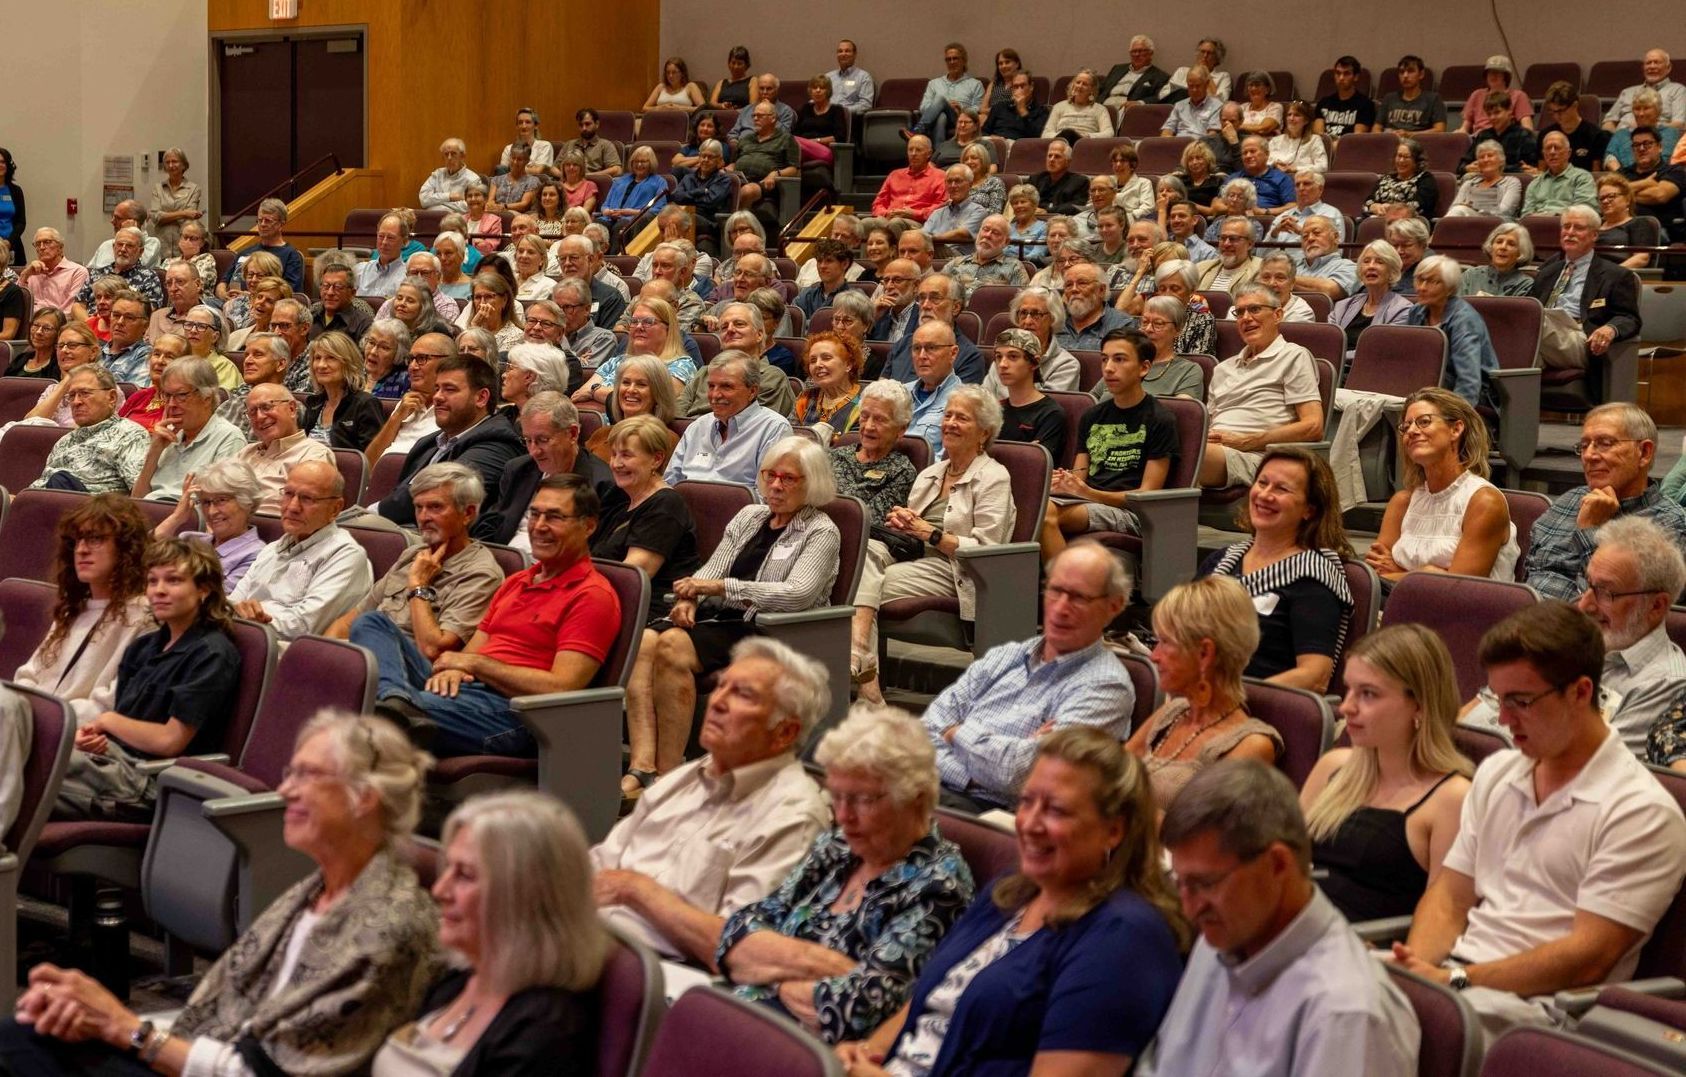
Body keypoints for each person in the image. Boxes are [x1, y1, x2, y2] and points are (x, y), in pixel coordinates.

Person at [0, 710, 439, 1075]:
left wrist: (124, 1028)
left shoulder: (388, 924)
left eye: (307, 775)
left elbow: (267, 1071)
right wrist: (100, 1023)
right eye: (290, 772)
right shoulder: (315, 891)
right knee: (27, 1033)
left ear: (365, 798)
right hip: (199, 1049)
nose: (285, 790)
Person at [1390, 603, 1686, 1043]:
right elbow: (1450, 897)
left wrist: (1453, 983)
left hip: (1541, 1014)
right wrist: (1416, 972)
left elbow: (1588, 958)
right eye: (1497, 699)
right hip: (1460, 982)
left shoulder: (1640, 812)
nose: (1504, 720)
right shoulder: (1497, 772)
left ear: (1581, 692)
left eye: (1521, 702)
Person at [836, 729, 1188, 1077]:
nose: (1030, 823)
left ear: (1115, 830)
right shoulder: (1009, 893)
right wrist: (867, 1052)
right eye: (1026, 801)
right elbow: (932, 998)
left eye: (1056, 810)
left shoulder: (1126, 938)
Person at [1140, 760, 1420, 1077]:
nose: (1191, 909)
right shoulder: (1218, 940)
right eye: (1181, 883)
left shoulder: (1345, 1013)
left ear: (1277, 865)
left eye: (1205, 884)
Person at [718, 706, 973, 1042]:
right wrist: (818, 964)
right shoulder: (838, 847)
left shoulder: (939, 885)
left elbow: (856, 1009)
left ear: (915, 798)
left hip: (806, 1053)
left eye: (861, 800)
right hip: (743, 1018)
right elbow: (735, 934)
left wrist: (765, 972)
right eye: (836, 796)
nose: (843, 816)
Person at [594, 636, 831, 960]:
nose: (717, 702)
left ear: (785, 732)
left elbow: (738, 948)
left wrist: (636, 891)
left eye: (742, 695)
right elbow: (602, 864)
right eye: (721, 686)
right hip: (590, 941)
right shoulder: (683, 778)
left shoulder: (793, 816)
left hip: (657, 974)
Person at [369, 474, 620, 758]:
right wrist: (457, 668)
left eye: (554, 517)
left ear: (588, 526)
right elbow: (470, 656)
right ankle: (397, 702)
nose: (538, 526)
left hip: (517, 714)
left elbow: (561, 686)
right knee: (373, 624)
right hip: (466, 693)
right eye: (535, 514)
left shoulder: (592, 595)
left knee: (369, 710)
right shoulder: (517, 582)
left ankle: (397, 709)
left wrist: (473, 664)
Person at [375, 789, 608, 1075]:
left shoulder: (544, 1032)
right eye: (448, 869)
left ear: (523, 895)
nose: (439, 890)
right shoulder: (460, 980)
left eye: (465, 875)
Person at [638, 434, 839, 742]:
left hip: (773, 630)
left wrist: (721, 588)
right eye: (770, 475)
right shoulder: (750, 516)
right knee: (646, 641)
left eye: (787, 478)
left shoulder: (821, 531)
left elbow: (798, 594)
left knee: (672, 646)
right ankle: (643, 763)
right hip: (725, 620)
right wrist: (689, 598)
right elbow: (712, 570)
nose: (775, 485)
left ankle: (668, 765)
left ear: (812, 483)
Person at [47, 537, 243, 822]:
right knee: (28, 753)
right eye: (153, 581)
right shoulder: (145, 646)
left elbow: (169, 741)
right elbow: (128, 721)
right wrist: (94, 737)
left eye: (173, 581)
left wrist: (108, 722)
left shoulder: (212, 654)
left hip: (149, 781)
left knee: (24, 766)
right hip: (111, 760)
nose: (159, 591)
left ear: (204, 589)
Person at [1300, 625, 1473, 922]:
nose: (1346, 708)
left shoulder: (1452, 798)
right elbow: (1287, 865)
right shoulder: (1334, 766)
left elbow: (1443, 918)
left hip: (1367, 952)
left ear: (1419, 704)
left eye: (1368, 694)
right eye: (1348, 690)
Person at [1478, 515, 1686, 760]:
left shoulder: (1664, 684)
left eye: (1606, 593)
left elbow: (1585, 770)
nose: (1584, 604)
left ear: (1656, 606)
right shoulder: (1569, 640)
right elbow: (1480, 710)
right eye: (1588, 585)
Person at [853, 387, 1013, 704]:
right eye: (948, 415)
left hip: (957, 570)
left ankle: (866, 684)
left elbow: (988, 550)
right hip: (915, 558)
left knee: (856, 588)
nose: (950, 423)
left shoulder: (994, 477)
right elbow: (915, 532)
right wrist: (903, 523)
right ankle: (864, 672)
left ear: (984, 433)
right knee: (862, 555)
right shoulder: (932, 472)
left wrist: (931, 534)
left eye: (961, 418)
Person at [2, 496, 152, 826]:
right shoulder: (75, 609)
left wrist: (44, 721)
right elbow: (27, 677)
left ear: (126, 548)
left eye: (96, 539)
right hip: (44, 730)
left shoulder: (144, 618)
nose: (82, 549)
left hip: (83, 745)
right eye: (78, 540)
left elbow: (110, 704)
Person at [334, 460, 505, 676]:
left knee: (372, 622)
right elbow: (349, 621)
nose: (423, 517)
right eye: (418, 507)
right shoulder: (412, 555)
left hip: (413, 673)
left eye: (435, 507)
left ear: (468, 513)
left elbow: (434, 650)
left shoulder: (481, 574)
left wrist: (418, 586)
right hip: (364, 660)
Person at [1205, 448, 1355, 692]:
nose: (1265, 495)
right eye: (1262, 483)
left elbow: (1315, 675)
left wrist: (1230, 696)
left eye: (1281, 489)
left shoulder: (1313, 577)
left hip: (1260, 708)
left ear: (1310, 509)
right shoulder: (1221, 561)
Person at [1042, 328, 1179, 562]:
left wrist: (1090, 493)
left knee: (1043, 514)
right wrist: (1065, 482)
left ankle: (1071, 587)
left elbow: (1147, 495)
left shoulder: (1160, 419)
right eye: (1104, 359)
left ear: (1144, 368)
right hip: (1088, 500)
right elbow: (1081, 473)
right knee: (1025, 506)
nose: (1108, 368)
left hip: (1131, 514)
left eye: (1120, 359)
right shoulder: (1092, 416)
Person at [1367, 387, 1518, 584]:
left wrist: (1406, 573)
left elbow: (1456, 588)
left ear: (1456, 429)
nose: (1411, 431)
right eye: (1406, 426)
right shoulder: (1402, 503)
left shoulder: (1484, 502)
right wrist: (1429, 573)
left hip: (1470, 612)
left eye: (1424, 422)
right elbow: (1375, 578)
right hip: (1400, 606)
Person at [230, 459, 373, 643]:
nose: (292, 507)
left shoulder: (345, 555)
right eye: (288, 494)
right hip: (246, 639)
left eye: (307, 498)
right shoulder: (271, 549)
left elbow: (303, 627)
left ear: (336, 508)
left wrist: (246, 617)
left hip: (285, 655)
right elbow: (233, 602)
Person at [375, 355, 527, 528]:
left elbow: (438, 496)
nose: (437, 397)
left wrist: (374, 511)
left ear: (481, 398)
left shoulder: (498, 444)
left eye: (449, 389)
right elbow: (402, 491)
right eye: (437, 388)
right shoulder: (430, 442)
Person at [1198, 286, 1324, 489]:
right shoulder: (1223, 368)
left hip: (1259, 456)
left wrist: (1246, 441)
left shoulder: (1294, 356)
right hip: (1216, 450)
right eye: (1239, 312)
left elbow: (1313, 426)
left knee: (1188, 452)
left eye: (1255, 309)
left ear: (1278, 314)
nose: (1246, 318)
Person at [475, 392, 622, 551]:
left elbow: (594, 552)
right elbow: (491, 525)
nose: (533, 452)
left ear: (572, 434)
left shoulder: (603, 485)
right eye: (528, 440)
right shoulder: (518, 469)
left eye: (542, 440)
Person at [1528, 205, 1642, 372]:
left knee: (1530, 325)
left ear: (1594, 235)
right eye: (1566, 227)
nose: (1570, 232)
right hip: (1545, 336)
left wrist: (1610, 328)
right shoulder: (1547, 272)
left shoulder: (1616, 275)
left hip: (1581, 337)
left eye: (1579, 227)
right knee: (1522, 350)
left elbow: (1629, 318)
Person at [129, 355, 249, 503]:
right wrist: (154, 452)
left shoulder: (228, 437)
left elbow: (220, 507)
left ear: (207, 398)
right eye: (167, 395)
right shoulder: (166, 437)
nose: (171, 404)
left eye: (181, 395)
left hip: (189, 521)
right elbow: (137, 500)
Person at [665, 351, 793, 488]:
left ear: (752, 391)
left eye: (726, 386)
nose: (715, 395)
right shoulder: (697, 427)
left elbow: (767, 495)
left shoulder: (774, 429)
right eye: (711, 386)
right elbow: (669, 484)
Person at [27, 366, 148, 494]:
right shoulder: (64, 441)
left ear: (112, 397)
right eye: (72, 396)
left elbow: (139, 496)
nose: (76, 402)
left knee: (61, 480)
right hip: (41, 504)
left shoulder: (130, 435)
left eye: (85, 393)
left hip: (89, 509)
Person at [153, 459, 267, 589]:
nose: (211, 512)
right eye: (206, 502)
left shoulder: (256, 555)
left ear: (247, 502)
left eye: (221, 500)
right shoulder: (189, 539)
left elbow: (219, 602)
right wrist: (176, 518)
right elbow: (144, 562)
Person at [1406, 256, 1499, 407]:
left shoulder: (1464, 320)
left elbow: (1469, 380)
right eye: (1419, 279)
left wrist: (1454, 414)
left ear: (1450, 288)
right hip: (1430, 387)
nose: (1421, 287)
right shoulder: (1416, 312)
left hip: (1472, 395)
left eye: (1432, 281)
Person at [299, 330, 386, 451]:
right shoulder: (313, 403)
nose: (321, 365)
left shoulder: (365, 404)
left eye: (331, 358)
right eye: (317, 358)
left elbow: (370, 459)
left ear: (348, 363)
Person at [991, 329, 1064, 462]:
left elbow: (1033, 466)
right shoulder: (994, 409)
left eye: (1013, 356)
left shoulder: (1050, 413)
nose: (1002, 364)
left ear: (1034, 363)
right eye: (998, 357)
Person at [1332, 240, 1414, 352]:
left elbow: (1380, 350)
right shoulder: (1342, 306)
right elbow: (1329, 342)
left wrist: (1339, 358)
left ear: (1391, 272)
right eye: (1366, 261)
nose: (1371, 266)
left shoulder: (1402, 310)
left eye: (1379, 262)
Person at [906, 43, 984, 144]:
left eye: (955, 58)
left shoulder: (975, 84)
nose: (951, 62)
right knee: (941, 116)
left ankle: (918, 130)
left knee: (940, 99)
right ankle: (939, 154)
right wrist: (943, 106)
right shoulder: (934, 84)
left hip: (961, 119)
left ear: (964, 61)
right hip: (938, 120)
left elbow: (979, 107)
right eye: (948, 59)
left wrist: (962, 109)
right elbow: (923, 107)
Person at [792, 331, 865, 435]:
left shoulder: (864, 402)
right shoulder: (806, 398)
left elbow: (854, 447)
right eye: (812, 360)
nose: (818, 364)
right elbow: (789, 438)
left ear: (848, 364)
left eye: (826, 358)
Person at [1461, 91, 1538, 173]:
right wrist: (1467, 168)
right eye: (1489, 114)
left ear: (1509, 111)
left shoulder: (1524, 135)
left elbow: (1528, 168)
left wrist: (1489, 167)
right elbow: (1462, 165)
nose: (1492, 117)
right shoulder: (1483, 135)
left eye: (1497, 112)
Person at [1523, 131, 1597, 217]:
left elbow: (1584, 210)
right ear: (1543, 154)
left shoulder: (1582, 177)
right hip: (1538, 227)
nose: (1552, 152)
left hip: (1570, 225)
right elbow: (1526, 215)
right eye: (1548, 148)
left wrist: (1552, 215)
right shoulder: (1535, 183)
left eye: (1557, 147)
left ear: (1568, 153)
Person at [1595, 174, 1658, 269]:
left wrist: (1612, 273)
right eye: (1602, 198)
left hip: (1620, 276)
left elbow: (1641, 258)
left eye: (1611, 196)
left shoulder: (1639, 224)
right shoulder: (1594, 225)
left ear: (1627, 199)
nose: (1605, 201)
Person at [17, 228, 87, 313]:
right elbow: (16, 304)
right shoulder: (30, 272)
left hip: (59, 323)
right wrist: (25, 275)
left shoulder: (77, 272)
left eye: (47, 242)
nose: (42, 247)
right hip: (29, 323)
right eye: (38, 244)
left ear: (60, 247)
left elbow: (70, 310)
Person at [1460, 56, 1534, 135]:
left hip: (1505, 137)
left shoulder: (1519, 96)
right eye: (1490, 73)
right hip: (1479, 137)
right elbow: (1465, 127)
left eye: (1497, 72)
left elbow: (1527, 127)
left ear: (1505, 76)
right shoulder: (1477, 95)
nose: (1492, 76)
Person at [1447, 142, 1523, 219]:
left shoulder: (1511, 182)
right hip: (1467, 225)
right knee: (1457, 210)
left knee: (1460, 210)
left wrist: (1475, 206)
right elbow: (1453, 208)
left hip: (1498, 225)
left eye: (1490, 156)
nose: (1485, 160)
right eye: (1481, 157)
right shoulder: (1469, 184)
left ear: (1501, 160)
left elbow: (1505, 211)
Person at [1366, 138, 1439, 219]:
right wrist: (1375, 206)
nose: (1401, 160)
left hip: (1408, 222)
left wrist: (1391, 208)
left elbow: (1419, 205)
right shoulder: (1386, 178)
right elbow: (1368, 201)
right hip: (1378, 218)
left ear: (1417, 161)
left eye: (1406, 157)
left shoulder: (1425, 179)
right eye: (1399, 156)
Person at [1459, 222, 1536, 297]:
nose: (1503, 247)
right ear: (1491, 247)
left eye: (1511, 244)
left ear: (1520, 252)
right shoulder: (1470, 276)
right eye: (1499, 242)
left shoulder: (1525, 285)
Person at [1379, 55, 1448, 133]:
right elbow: (1376, 128)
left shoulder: (1433, 99)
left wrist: (1410, 134)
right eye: (1402, 72)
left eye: (1410, 71)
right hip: (1391, 141)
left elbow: (1440, 130)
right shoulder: (1389, 98)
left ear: (1421, 74)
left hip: (1419, 142)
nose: (1405, 76)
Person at [1314, 55, 1377, 137]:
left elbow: (1357, 138)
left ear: (1356, 77)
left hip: (1349, 148)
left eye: (1346, 74)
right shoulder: (1323, 103)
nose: (1341, 78)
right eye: (1338, 73)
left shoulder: (1365, 104)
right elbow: (1318, 135)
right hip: (1324, 147)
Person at [1027, 139, 1090, 217]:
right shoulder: (1035, 179)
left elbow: (1077, 206)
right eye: (1049, 156)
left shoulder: (1080, 182)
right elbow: (1026, 201)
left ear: (1068, 162)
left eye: (1057, 156)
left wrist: (1047, 211)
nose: (1052, 159)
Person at [981, 68, 1050, 140]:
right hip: (996, 144)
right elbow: (984, 132)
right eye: (1015, 87)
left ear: (1031, 87)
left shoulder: (1041, 111)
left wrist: (1023, 111)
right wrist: (992, 138)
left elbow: (1037, 137)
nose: (1019, 90)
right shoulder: (999, 107)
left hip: (1019, 147)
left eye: (1022, 86)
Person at [419, 139, 481, 213]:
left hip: (457, 221)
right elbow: (424, 199)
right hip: (432, 218)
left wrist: (437, 202)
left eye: (453, 154)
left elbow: (471, 206)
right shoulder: (437, 174)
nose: (449, 158)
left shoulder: (473, 179)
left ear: (462, 156)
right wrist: (450, 197)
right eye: (446, 154)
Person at [6, 306, 68, 379]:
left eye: (47, 328)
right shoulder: (20, 359)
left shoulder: (60, 365)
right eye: (35, 325)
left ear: (59, 334)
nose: (38, 332)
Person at [1268, 100, 1328, 174]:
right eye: (1289, 115)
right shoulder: (1275, 140)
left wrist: (1296, 169)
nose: (1291, 118)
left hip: (1301, 181)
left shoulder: (1314, 140)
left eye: (1296, 115)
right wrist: (1274, 165)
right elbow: (1264, 164)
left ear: (1306, 120)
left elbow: (1323, 166)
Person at [1162, 66, 1223, 138]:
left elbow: (1212, 136)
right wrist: (1167, 138)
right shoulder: (1179, 105)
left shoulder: (1217, 106)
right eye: (1191, 86)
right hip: (1179, 144)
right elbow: (1167, 130)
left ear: (1206, 84)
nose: (1194, 90)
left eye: (1198, 86)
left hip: (1201, 146)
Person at [828, 38, 876, 114]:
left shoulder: (864, 77)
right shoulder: (828, 77)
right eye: (840, 51)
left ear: (855, 54)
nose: (843, 54)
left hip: (849, 119)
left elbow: (866, 105)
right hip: (826, 118)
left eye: (847, 51)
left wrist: (841, 112)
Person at [710, 45, 754, 109]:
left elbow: (752, 105)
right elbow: (712, 103)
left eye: (739, 63)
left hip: (742, 115)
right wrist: (722, 106)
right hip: (721, 113)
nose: (735, 67)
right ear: (729, 64)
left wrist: (736, 111)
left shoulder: (752, 81)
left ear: (746, 65)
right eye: (733, 63)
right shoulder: (721, 83)